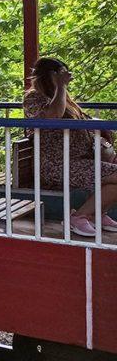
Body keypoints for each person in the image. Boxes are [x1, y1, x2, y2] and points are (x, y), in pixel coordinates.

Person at [24, 57, 117, 237]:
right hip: (58, 165)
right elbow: (53, 117)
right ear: (48, 75)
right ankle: (79, 217)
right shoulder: (33, 97)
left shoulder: (64, 98)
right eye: (61, 74)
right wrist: (61, 87)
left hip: (81, 160)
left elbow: (82, 119)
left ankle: (96, 215)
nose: (66, 78)